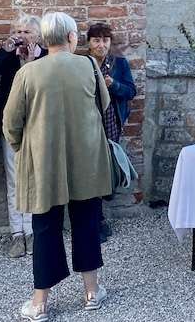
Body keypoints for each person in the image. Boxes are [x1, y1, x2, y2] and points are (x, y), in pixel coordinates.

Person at [4, 11, 112, 321]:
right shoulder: (88, 65)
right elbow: (102, 105)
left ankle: (40, 303)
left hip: (44, 160)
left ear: (44, 38)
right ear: (70, 37)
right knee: (87, 221)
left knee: (45, 227)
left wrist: (22, 147)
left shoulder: (28, 73)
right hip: (86, 158)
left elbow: (11, 122)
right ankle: (91, 292)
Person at [0, 14, 45, 257]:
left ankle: (33, 230)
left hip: (39, 126)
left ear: (37, 35)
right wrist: (3, 52)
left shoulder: (46, 57)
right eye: (18, 31)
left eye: (27, 32)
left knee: (37, 178)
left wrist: (32, 62)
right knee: (14, 178)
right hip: (12, 126)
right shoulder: (8, 57)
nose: (21, 35)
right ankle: (17, 233)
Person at [86, 21, 137, 242]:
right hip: (87, 125)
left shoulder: (119, 64)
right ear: (89, 43)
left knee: (106, 172)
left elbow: (131, 91)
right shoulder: (82, 63)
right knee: (90, 173)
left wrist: (113, 84)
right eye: (96, 40)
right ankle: (95, 221)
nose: (101, 45)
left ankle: (99, 217)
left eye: (105, 40)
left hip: (110, 125)